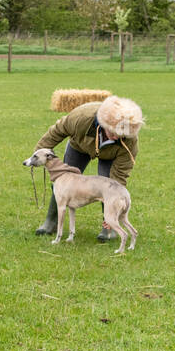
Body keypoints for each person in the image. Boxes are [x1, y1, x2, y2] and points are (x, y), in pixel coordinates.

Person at [32, 96, 144, 242]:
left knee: (109, 187)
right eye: (114, 132)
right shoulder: (82, 117)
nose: (117, 137)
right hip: (79, 146)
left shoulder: (129, 141)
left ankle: (108, 227)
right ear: (105, 124)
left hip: (110, 156)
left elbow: (119, 176)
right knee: (61, 181)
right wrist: (38, 154)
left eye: (121, 134)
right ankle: (50, 222)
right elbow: (56, 132)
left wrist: (115, 205)